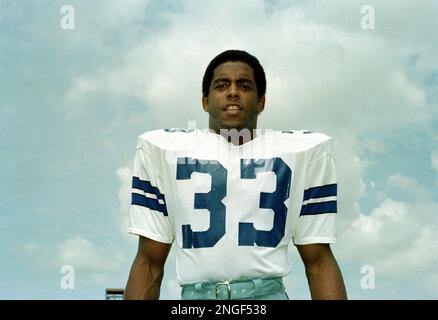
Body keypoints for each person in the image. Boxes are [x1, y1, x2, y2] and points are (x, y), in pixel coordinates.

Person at [124, 49, 347, 300]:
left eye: (244, 85)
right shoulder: (163, 151)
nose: (233, 92)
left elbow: (318, 261)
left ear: (261, 101)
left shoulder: (303, 152)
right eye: (221, 85)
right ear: (205, 101)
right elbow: (149, 263)